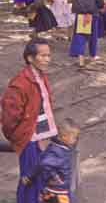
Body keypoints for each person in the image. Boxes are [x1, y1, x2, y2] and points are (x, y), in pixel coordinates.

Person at [1, 38, 58, 203]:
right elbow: (9, 116)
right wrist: (18, 135)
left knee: (40, 177)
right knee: (29, 179)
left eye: (49, 55)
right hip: (29, 138)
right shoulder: (20, 84)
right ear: (30, 58)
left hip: (43, 135)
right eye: (43, 56)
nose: (47, 59)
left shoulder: (41, 76)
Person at [21, 118, 80, 203]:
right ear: (64, 137)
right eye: (74, 137)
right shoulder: (58, 152)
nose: (75, 140)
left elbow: (41, 161)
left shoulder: (55, 147)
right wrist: (56, 177)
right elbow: (44, 163)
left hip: (54, 189)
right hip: (58, 192)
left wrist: (30, 175)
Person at [66, 0, 106, 68]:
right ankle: (92, 56)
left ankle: (81, 60)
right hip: (93, 16)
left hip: (81, 16)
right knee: (93, 37)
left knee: (80, 36)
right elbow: (100, 4)